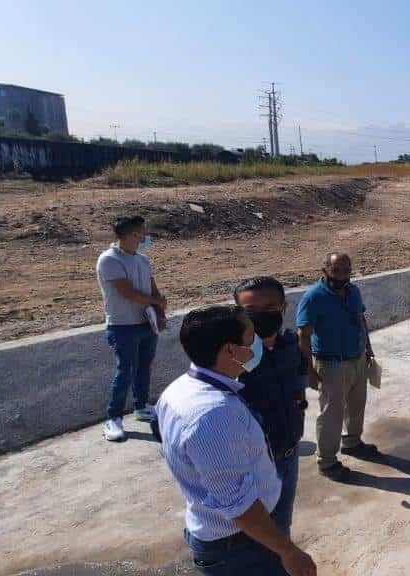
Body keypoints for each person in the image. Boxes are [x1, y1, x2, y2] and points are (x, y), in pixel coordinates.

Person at [156, 305, 317, 576]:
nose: (258, 342)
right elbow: (239, 505)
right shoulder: (214, 415)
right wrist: (288, 551)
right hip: (241, 548)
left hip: (234, 539)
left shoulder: (179, 389)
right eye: (251, 336)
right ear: (230, 350)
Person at [234, 276, 307, 535]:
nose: (261, 317)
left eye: (270, 309)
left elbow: (297, 386)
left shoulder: (290, 345)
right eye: (251, 312)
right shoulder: (231, 359)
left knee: (282, 526)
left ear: (284, 308)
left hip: (289, 453)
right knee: (255, 536)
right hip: (253, 466)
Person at [296, 252, 378, 480]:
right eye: (336, 271)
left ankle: (352, 442)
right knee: (331, 414)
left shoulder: (354, 291)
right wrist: (308, 371)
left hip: (357, 358)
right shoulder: (314, 297)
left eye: (346, 270)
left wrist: (368, 348)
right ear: (325, 271)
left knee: (356, 404)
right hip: (331, 364)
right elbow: (303, 335)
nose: (342, 275)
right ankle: (327, 461)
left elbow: (361, 320)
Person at [96, 215, 166, 442]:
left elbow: (151, 286)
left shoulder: (142, 259)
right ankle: (113, 417)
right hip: (122, 326)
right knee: (125, 370)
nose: (146, 236)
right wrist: (156, 302)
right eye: (142, 232)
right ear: (131, 235)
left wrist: (160, 311)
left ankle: (141, 407)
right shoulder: (109, 260)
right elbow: (128, 293)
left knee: (144, 366)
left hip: (146, 323)